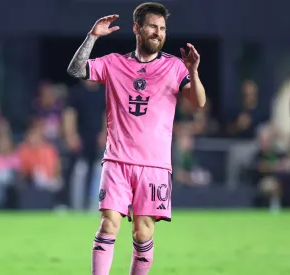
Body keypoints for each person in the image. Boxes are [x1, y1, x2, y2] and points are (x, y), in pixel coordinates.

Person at [66, 2, 206, 275]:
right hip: (117, 160)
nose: (158, 32)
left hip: (154, 166)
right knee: (108, 224)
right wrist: (92, 37)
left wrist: (193, 71)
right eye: (153, 26)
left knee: (143, 233)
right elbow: (75, 70)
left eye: (162, 28)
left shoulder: (175, 67)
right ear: (137, 28)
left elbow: (198, 101)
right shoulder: (115, 64)